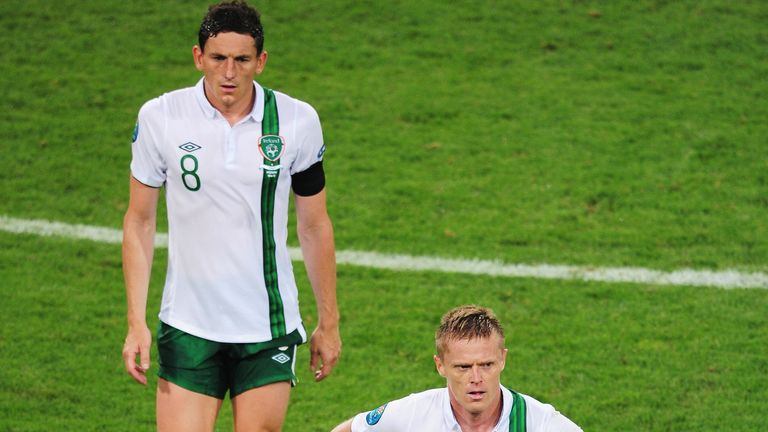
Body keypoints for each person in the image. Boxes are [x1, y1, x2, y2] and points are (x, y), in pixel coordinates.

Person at [121, 1, 341, 430]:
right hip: (188, 322)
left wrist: (328, 322)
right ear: (198, 56)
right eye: (218, 58)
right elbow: (139, 221)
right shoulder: (161, 118)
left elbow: (315, 225)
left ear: (260, 62)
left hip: (268, 325)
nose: (228, 72)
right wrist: (136, 322)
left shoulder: (297, 121)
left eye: (242, 60)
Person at [332, 305, 581, 432]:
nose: (476, 378)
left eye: (486, 365)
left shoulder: (539, 423)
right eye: (463, 367)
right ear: (440, 366)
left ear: (502, 360)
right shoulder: (412, 414)